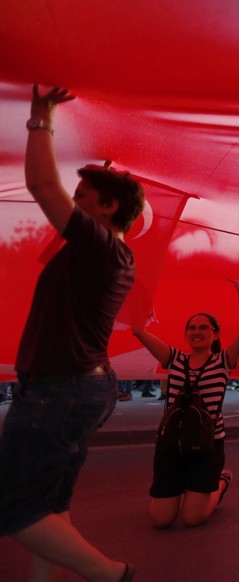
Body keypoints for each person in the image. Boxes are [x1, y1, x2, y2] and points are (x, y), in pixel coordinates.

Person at [0, 86, 144, 581]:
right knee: (48, 508)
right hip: (79, 384)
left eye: (81, 197)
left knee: (13, 509)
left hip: (59, 389)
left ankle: (112, 575)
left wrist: (42, 117)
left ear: (106, 210)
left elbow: (41, 183)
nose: (70, 201)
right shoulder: (104, 253)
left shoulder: (101, 248)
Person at [132, 279, 239, 528]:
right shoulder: (173, 357)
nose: (197, 332)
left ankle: (220, 482)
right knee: (161, 520)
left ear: (215, 334)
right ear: (186, 333)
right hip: (171, 443)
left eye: (204, 328)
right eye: (191, 327)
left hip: (207, 443)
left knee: (192, 518)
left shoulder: (223, 361)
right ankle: (184, 488)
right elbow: (138, 331)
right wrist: (139, 295)